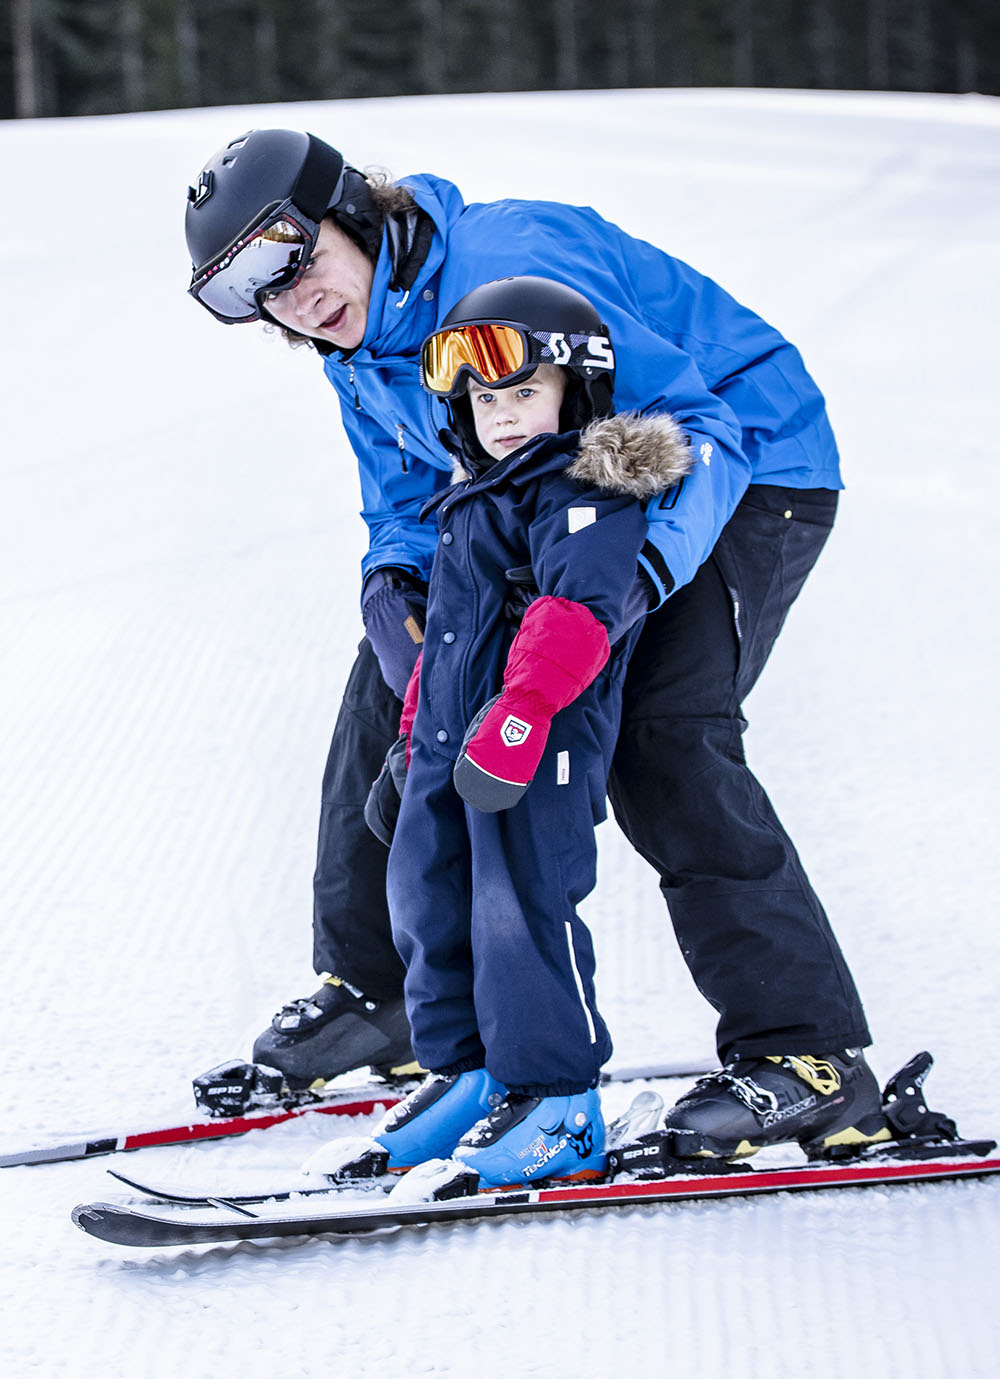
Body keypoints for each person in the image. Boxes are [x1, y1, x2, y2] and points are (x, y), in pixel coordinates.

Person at [184, 127, 889, 1160]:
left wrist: (630, 588)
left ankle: (811, 1059)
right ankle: (385, 995)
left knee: (654, 724)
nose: (286, 296)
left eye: (286, 252)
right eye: (246, 289)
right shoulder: (354, 346)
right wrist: (395, 594)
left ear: (351, 208)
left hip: (735, 470)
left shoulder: (510, 263)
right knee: (400, 699)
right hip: (533, 494)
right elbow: (406, 507)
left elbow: (697, 425)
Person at [360, 275, 691, 1184]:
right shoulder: (472, 497)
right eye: (483, 398)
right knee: (430, 899)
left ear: (575, 390)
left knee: (521, 908)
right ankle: (472, 1075)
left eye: (523, 393)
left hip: (530, 740)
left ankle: (558, 1101)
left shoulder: (582, 490)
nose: (500, 415)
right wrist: (412, 734)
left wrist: (524, 713)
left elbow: (576, 609)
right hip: (450, 744)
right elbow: (449, 640)